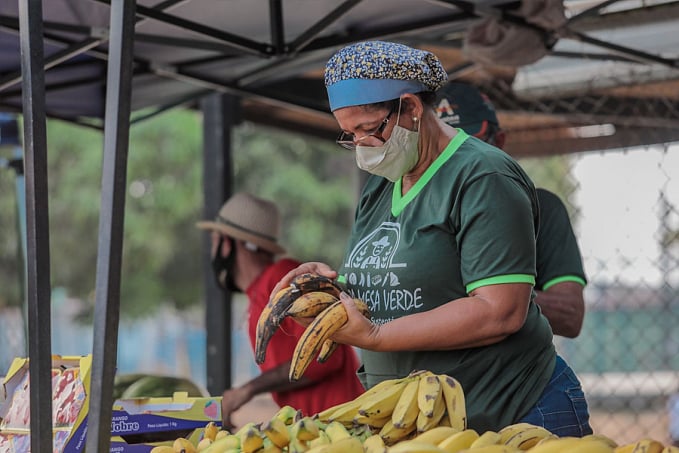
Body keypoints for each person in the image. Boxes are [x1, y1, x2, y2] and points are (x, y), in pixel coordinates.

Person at [271, 40, 592, 435]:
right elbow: (395, 283)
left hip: (513, 415)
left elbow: (501, 311)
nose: (361, 147)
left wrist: (375, 337)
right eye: (349, 135)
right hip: (421, 424)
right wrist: (331, 286)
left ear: (410, 108)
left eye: (369, 130)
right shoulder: (381, 184)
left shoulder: (482, 177)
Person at [196, 192, 364, 429]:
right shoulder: (259, 294)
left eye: (214, 241)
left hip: (341, 428)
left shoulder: (284, 279)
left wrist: (247, 390)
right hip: (314, 430)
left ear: (227, 243)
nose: (211, 251)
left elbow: (326, 358)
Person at [435, 81, 587, 338]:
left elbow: (570, 315)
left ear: (499, 142)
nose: (457, 161)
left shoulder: (540, 207)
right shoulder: (405, 209)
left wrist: (497, 292)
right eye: (443, 149)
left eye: (471, 147)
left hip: (509, 369)